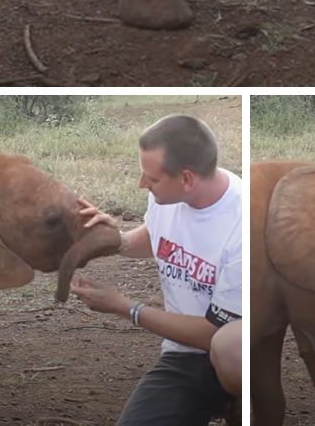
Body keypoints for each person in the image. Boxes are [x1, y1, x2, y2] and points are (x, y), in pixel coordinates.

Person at [71, 114, 242, 426]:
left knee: (231, 347)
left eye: (151, 178)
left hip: (237, 351)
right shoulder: (166, 199)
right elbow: (156, 237)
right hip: (186, 355)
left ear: (187, 179)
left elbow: (212, 333)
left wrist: (127, 308)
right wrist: (116, 240)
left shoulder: (242, 226)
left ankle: (244, 402)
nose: (141, 184)